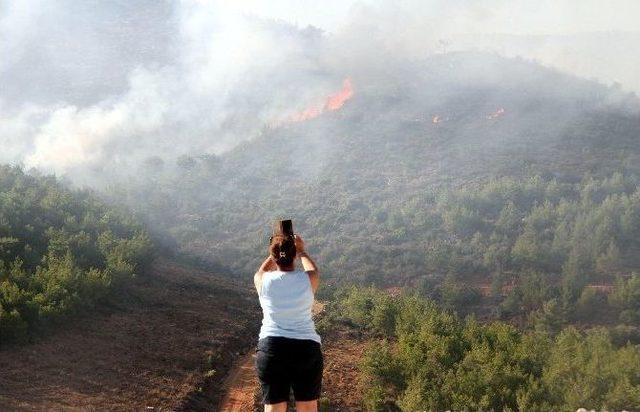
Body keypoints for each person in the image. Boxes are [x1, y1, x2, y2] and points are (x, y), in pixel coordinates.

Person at [253, 233, 322, 412]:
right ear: (294, 256)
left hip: (271, 348)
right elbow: (314, 270)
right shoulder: (308, 279)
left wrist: (275, 251)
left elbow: (262, 270)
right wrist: (302, 251)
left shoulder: (261, 280)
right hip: (305, 349)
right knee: (307, 407)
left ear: (274, 256)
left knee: (274, 409)